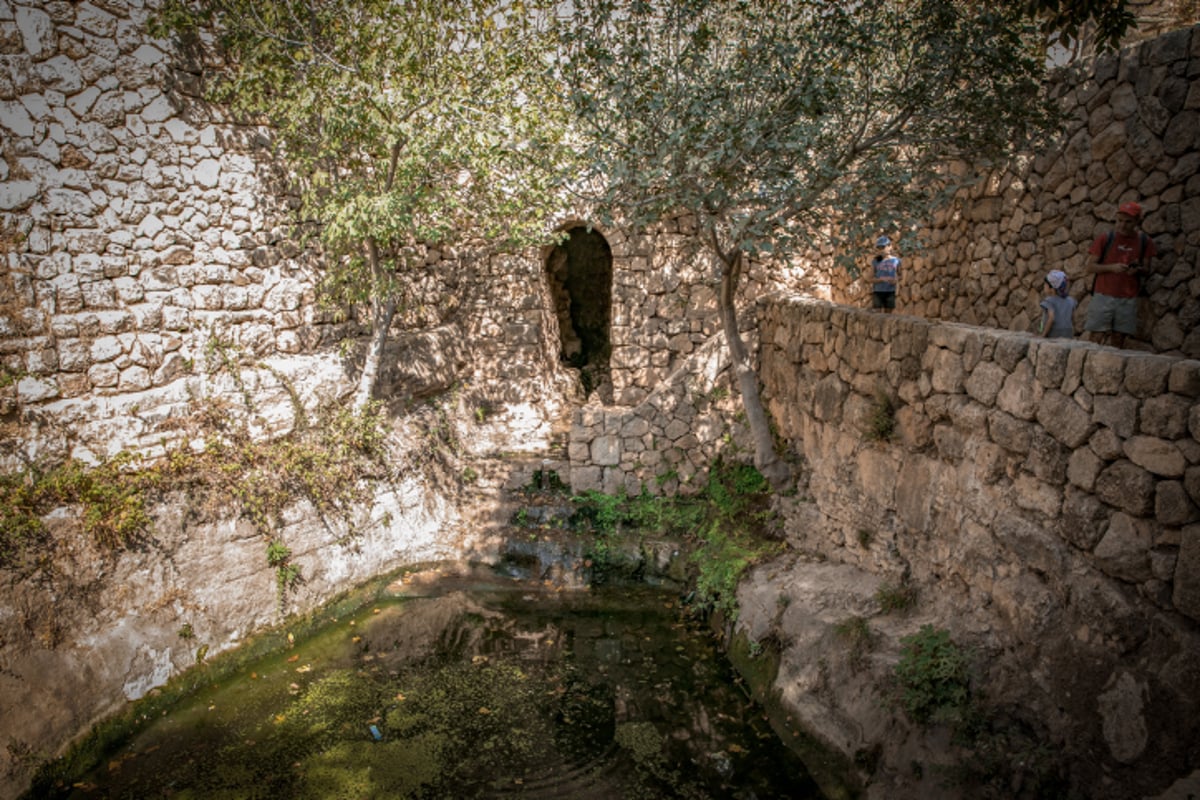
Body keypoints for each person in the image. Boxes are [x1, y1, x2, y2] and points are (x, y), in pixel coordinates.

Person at [1084, 201, 1156, 348]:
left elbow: (1147, 269)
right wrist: (1112, 268)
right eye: (1120, 221)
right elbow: (1090, 267)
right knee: (1095, 338)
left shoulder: (1144, 241)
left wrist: (1137, 270)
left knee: (1118, 341)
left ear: (1137, 221)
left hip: (1127, 298)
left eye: (1128, 222)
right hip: (1103, 295)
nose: (1122, 225)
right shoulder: (1106, 238)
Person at [866, 235, 900, 313]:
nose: (881, 250)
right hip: (878, 292)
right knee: (877, 315)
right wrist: (881, 279)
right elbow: (869, 278)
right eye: (879, 248)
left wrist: (896, 280)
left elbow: (900, 275)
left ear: (890, 246)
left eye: (883, 247)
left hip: (890, 291)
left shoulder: (896, 261)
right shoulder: (875, 261)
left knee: (888, 316)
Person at [1039, 269, 1076, 338]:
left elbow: (1051, 318)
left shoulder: (1049, 301)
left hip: (1054, 334)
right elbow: (1073, 319)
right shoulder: (1071, 300)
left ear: (1052, 289)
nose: (1044, 286)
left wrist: (1043, 335)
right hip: (1068, 333)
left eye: (1045, 284)